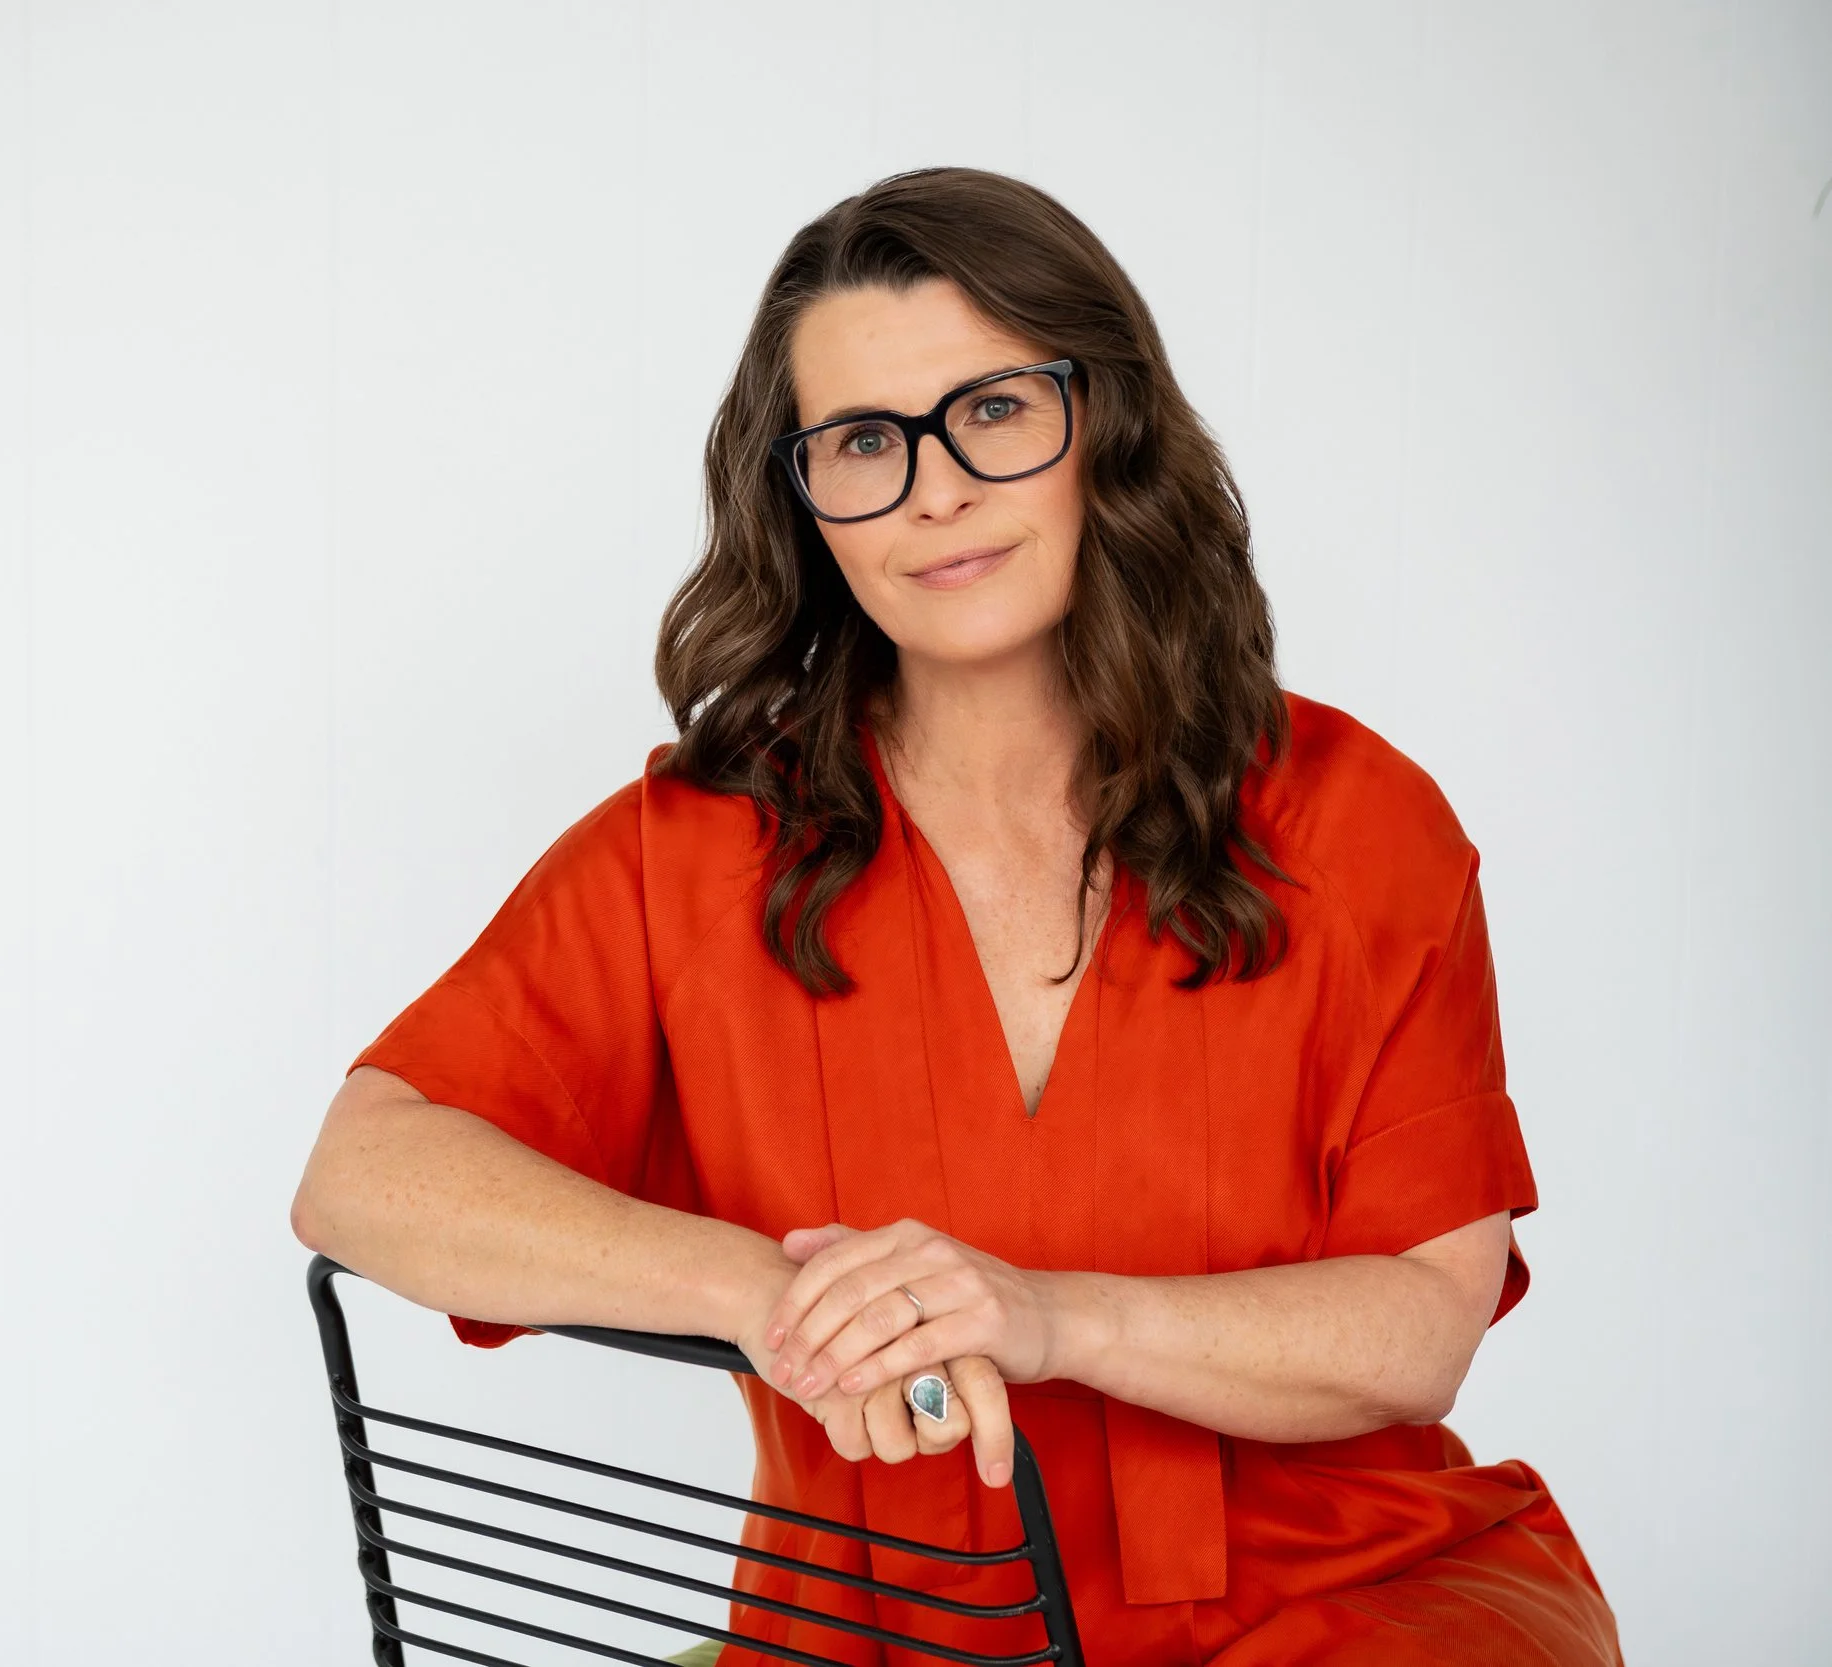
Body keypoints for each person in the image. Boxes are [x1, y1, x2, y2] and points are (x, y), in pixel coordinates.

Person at [290, 166, 1621, 1666]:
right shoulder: (696, 849)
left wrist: (1041, 1317)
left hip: (1355, 1611)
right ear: (801, 499)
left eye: (991, 409)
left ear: (1102, 428)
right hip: (879, 1637)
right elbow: (364, 1168)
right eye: (862, 440)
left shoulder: (1360, 819)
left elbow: (1422, 1324)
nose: (935, 487)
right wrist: (771, 1296)